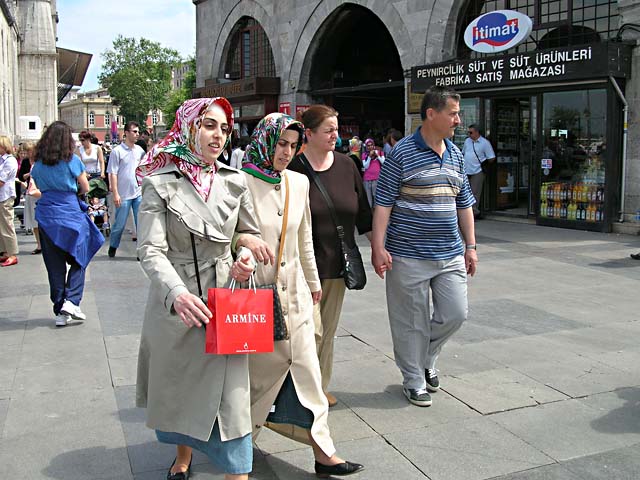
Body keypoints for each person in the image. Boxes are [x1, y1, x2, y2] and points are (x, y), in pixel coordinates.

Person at [135, 97, 272, 480]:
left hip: (227, 299)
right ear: (189, 126)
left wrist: (245, 252)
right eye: (209, 125)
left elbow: (247, 231)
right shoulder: (158, 183)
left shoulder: (234, 180)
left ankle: (237, 472)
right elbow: (150, 249)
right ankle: (183, 456)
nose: (219, 135)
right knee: (183, 390)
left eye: (225, 129)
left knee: (232, 402)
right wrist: (176, 294)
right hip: (179, 299)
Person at [241, 113, 364, 477]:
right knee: (257, 377)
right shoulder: (239, 182)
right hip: (257, 294)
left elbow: (304, 238)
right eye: (281, 144)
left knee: (310, 372)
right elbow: (230, 235)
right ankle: (239, 440)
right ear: (265, 141)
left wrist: (312, 283)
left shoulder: (297, 181)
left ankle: (324, 452)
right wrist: (241, 246)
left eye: (293, 146)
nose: (286, 152)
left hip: (295, 294)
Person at [372, 86, 477, 407]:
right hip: (407, 254)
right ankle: (414, 379)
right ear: (432, 114)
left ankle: (427, 356)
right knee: (409, 322)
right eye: (453, 113)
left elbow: (464, 203)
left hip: (449, 254)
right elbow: (383, 204)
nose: (459, 120)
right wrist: (378, 247)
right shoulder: (401, 153)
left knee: (455, 313)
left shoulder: (456, 155)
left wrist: (470, 246)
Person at [288, 105, 372, 408]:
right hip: (302, 266)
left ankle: (319, 388)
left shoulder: (347, 165)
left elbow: (363, 213)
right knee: (311, 330)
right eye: (328, 130)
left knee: (327, 331)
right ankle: (299, 388)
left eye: (336, 129)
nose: (335, 135)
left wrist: (378, 249)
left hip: (338, 265)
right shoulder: (293, 168)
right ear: (308, 134)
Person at [30, 121, 104, 326]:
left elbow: (37, 185)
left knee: (54, 267)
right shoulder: (72, 160)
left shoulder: (38, 163)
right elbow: (85, 186)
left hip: (46, 215)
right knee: (81, 256)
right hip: (70, 213)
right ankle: (71, 301)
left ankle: (60, 311)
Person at [107, 121, 145, 258]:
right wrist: (115, 193)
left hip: (138, 192)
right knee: (120, 224)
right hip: (123, 194)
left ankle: (141, 251)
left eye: (138, 132)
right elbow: (113, 173)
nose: (137, 134)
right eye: (134, 131)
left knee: (140, 222)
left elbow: (144, 170)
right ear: (126, 133)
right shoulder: (117, 151)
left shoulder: (140, 151)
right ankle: (113, 245)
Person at [462, 124, 495, 219]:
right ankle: (467, 211)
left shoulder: (485, 143)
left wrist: (483, 162)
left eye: (471, 132)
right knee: (466, 192)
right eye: (468, 132)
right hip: (466, 170)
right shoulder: (467, 141)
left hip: (477, 171)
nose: (469, 134)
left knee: (475, 192)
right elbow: (463, 153)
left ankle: (473, 213)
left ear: (477, 132)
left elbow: (491, 157)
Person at [0, 135, 19, 267]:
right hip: (1, 195)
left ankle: (12, 253)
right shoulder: (1, 160)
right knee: (1, 225)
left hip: (5, 195)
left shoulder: (10, 160)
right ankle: (5, 251)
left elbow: (2, 180)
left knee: (7, 224)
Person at [20, 142, 42, 254]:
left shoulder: (40, 161)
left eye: (30, 151)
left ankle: (44, 244)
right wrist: (27, 175)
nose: (29, 153)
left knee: (41, 220)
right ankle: (39, 245)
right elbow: (20, 176)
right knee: (33, 221)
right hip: (29, 191)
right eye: (28, 151)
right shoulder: (25, 162)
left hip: (39, 192)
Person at [361, 138, 385, 209]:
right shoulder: (364, 155)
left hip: (377, 178)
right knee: (368, 200)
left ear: (374, 145)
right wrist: (369, 157)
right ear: (366, 147)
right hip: (367, 179)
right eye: (368, 145)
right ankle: (370, 216)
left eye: (371, 145)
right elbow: (366, 166)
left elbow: (383, 162)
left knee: (376, 199)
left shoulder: (380, 152)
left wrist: (377, 156)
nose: (370, 147)